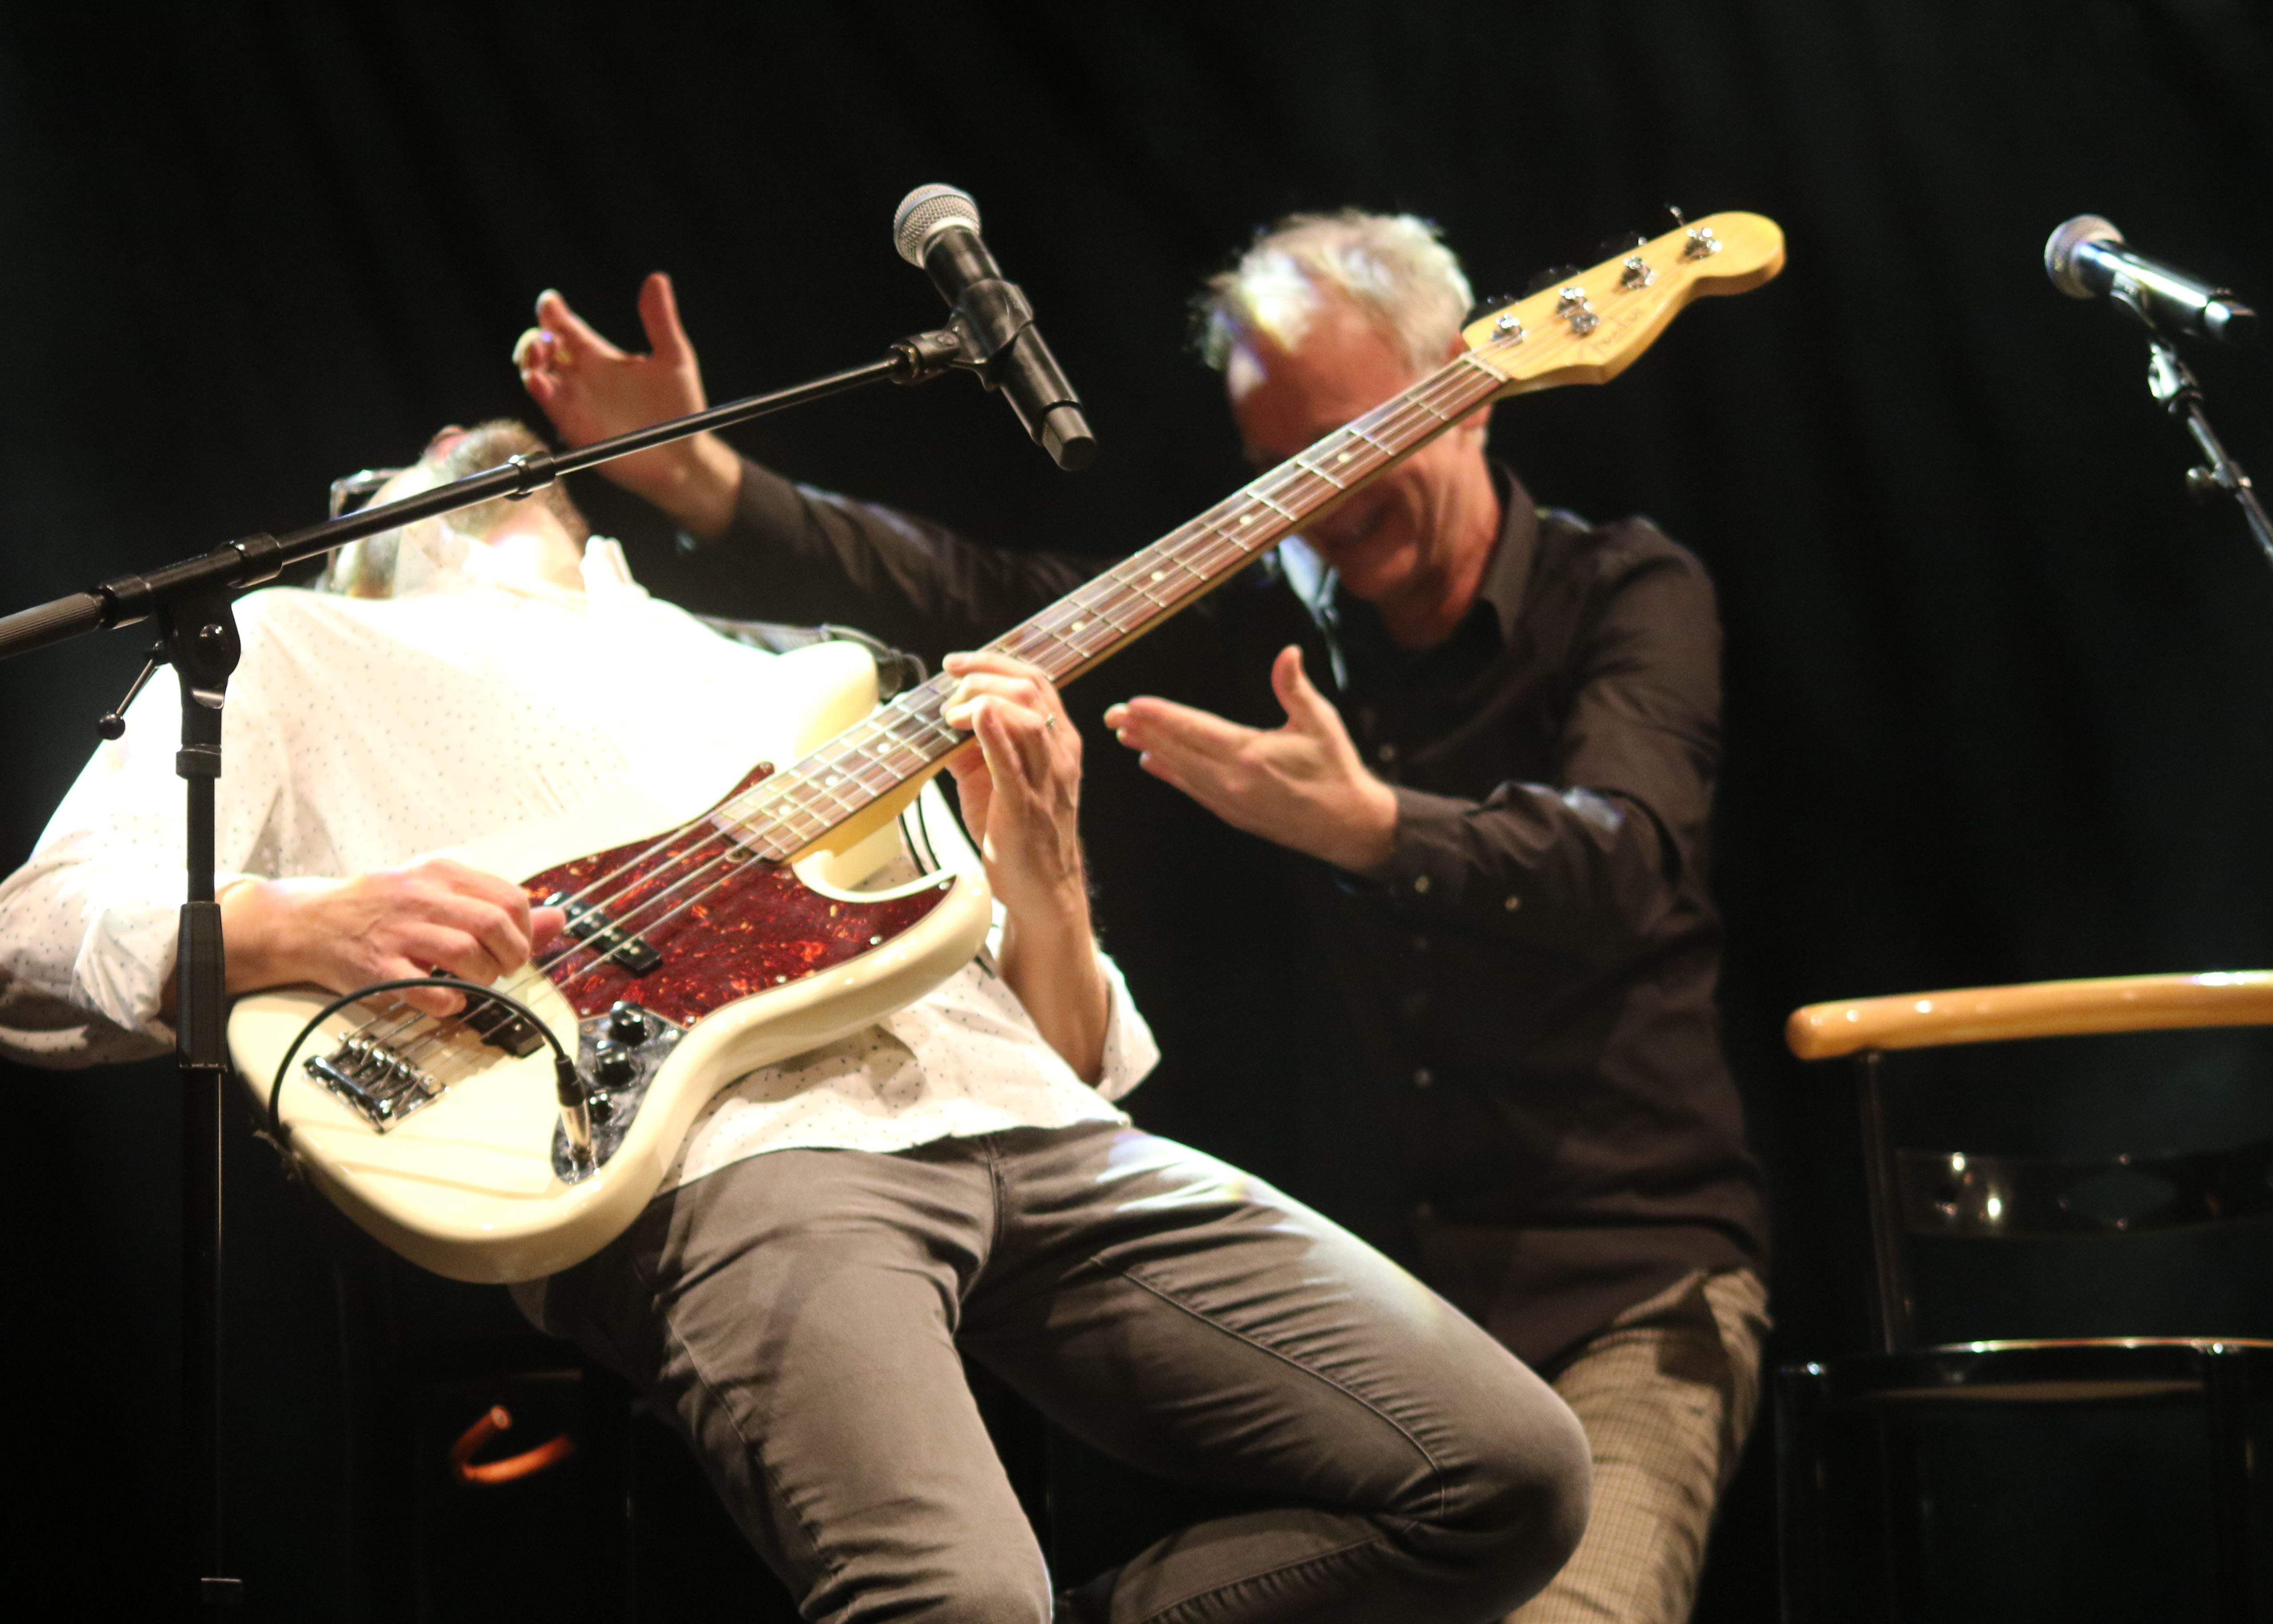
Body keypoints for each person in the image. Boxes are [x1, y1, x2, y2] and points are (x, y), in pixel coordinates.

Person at [0, 421, 1592, 1623]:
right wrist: (291, 921)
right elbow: (29, 934)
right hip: (728, 1155)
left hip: (1024, 1121)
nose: (473, 454)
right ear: (365, 540)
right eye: (417, 471)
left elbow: (1069, 1047)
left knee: (1511, 1479)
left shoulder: (800, 680)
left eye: (519, 466)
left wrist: (1043, 859)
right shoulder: (302, 646)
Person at [517, 210, 1770, 1624]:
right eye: (1285, 463)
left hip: (1620, 1288)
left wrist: (1375, 828)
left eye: (1357, 439)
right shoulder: (1251, 619)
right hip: (1374, 1301)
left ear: (1463, 393)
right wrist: (702, 477)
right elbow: (971, 602)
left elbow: (1628, 862)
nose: (1329, 498)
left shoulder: (1628, 591)